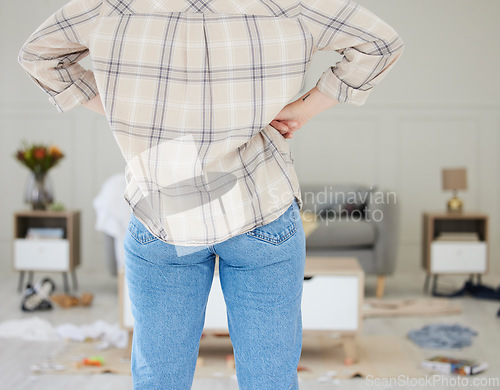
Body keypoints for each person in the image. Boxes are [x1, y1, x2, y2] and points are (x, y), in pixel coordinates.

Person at [18, 0, 404, 388]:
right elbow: (381, 44)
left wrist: (117, 110)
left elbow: (38, 55)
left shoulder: (112, 6)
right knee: (269, 378)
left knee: (160, 380)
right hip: (259, 204)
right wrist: (303, 109)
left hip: (163, 210)